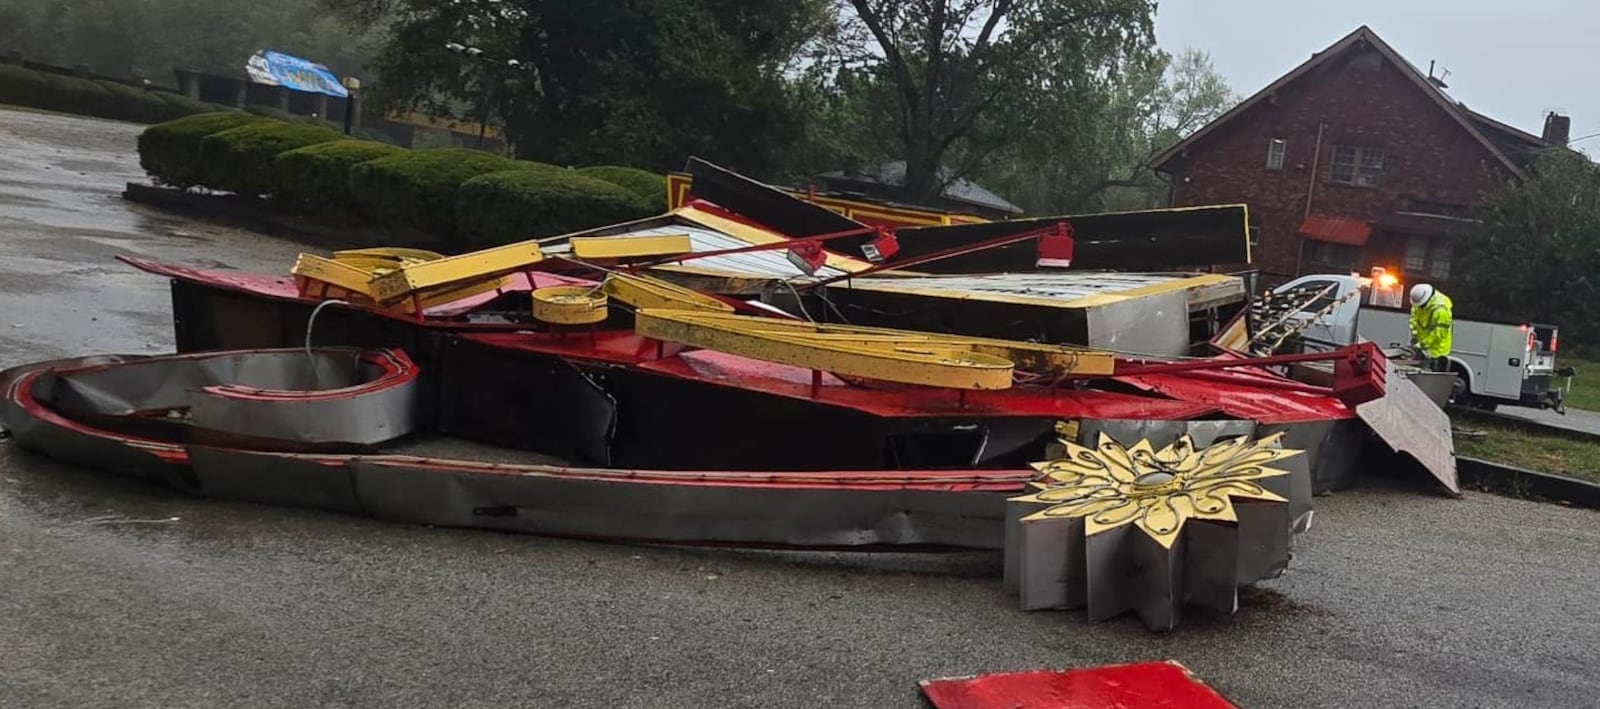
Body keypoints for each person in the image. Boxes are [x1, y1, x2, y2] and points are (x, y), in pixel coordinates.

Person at [1409, 283, 1453, 372]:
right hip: (1423, 347)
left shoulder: (1441, 311)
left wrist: (1422, 345)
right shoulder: (1419, 303)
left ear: (1426, 300)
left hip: (1437, 351)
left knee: (1431, 377)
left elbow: (1438, 334)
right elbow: (1414, 319)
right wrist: (1415, 336)